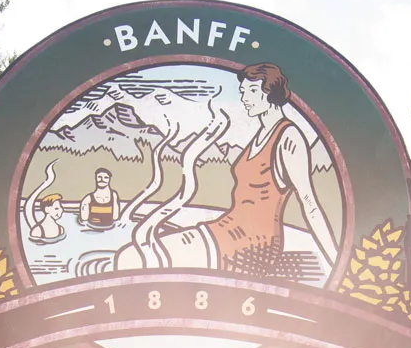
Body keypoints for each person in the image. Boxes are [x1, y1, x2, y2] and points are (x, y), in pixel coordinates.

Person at [112, 63, 339, 278]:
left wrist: (336, 262)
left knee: (132, 259)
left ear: (267, 92)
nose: (243, 98)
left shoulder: (289, 137)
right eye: (242, 92)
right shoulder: (259, 135)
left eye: (248, 91)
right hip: (226, 229)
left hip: (253, 245)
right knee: (130, 255)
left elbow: (309, 203)